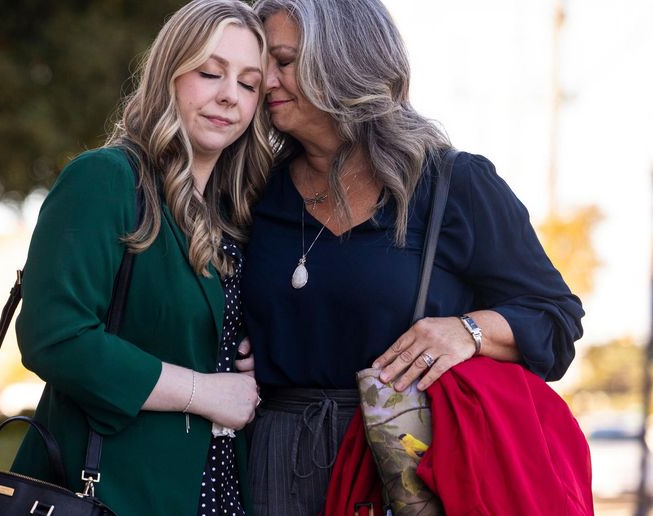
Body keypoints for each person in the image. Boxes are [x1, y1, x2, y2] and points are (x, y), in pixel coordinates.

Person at [241, 0, 585, 514]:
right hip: (267, 466)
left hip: (399, 468)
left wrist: (467, 331)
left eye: (284, 61)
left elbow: (555, 321)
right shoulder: (248, 189)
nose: (263, 78)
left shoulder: (453, 184)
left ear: (344, 61)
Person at [10, 1, 271, 514]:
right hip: (109, 491)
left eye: (249, 83)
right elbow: (53, 338)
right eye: (210, 72)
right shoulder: (106, 179)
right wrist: (202, 391)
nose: (228, 96)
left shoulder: (239, 214)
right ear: (169, 73)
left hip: (222, 491)